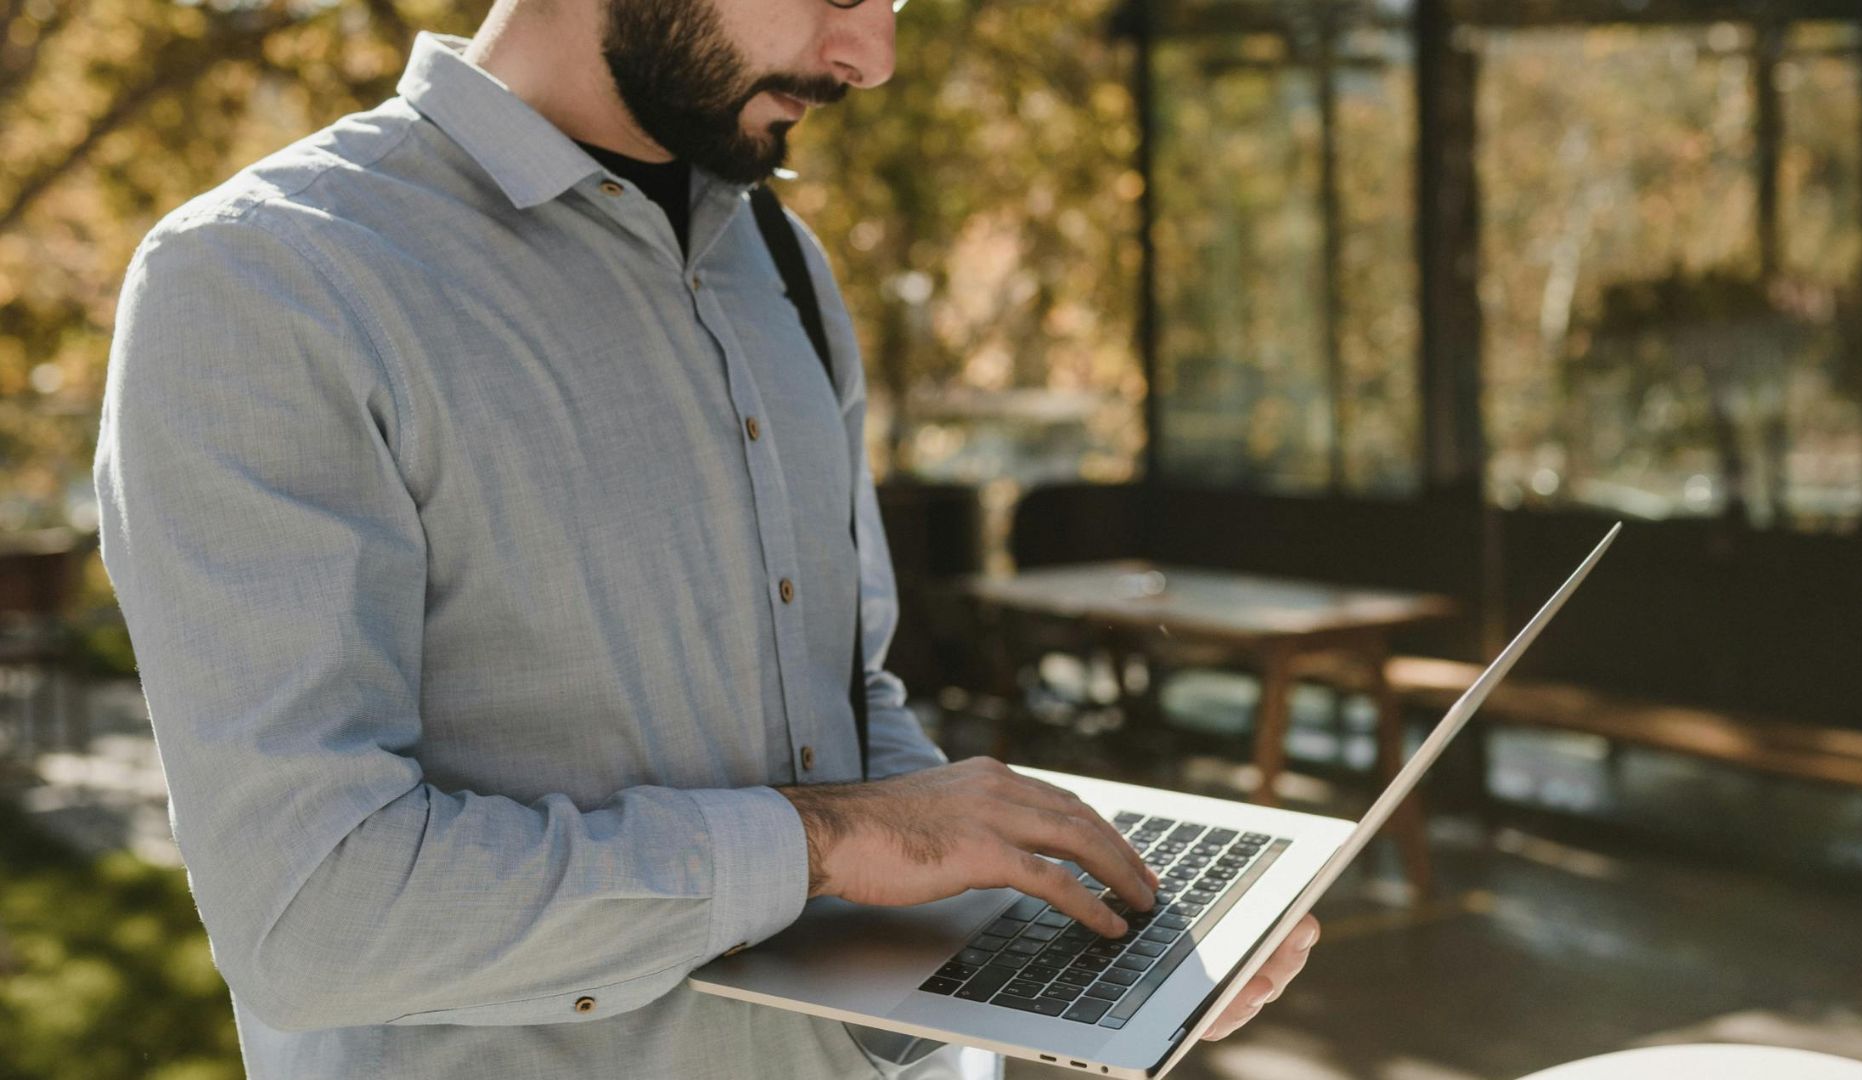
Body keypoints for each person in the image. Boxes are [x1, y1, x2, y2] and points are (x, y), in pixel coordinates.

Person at [90, 0, 1318, 1076]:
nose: (873, 53)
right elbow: (313, 914)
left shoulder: (781, 263)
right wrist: (826, 841)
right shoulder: (269, 279)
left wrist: (1062, 944)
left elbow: (845, 706)